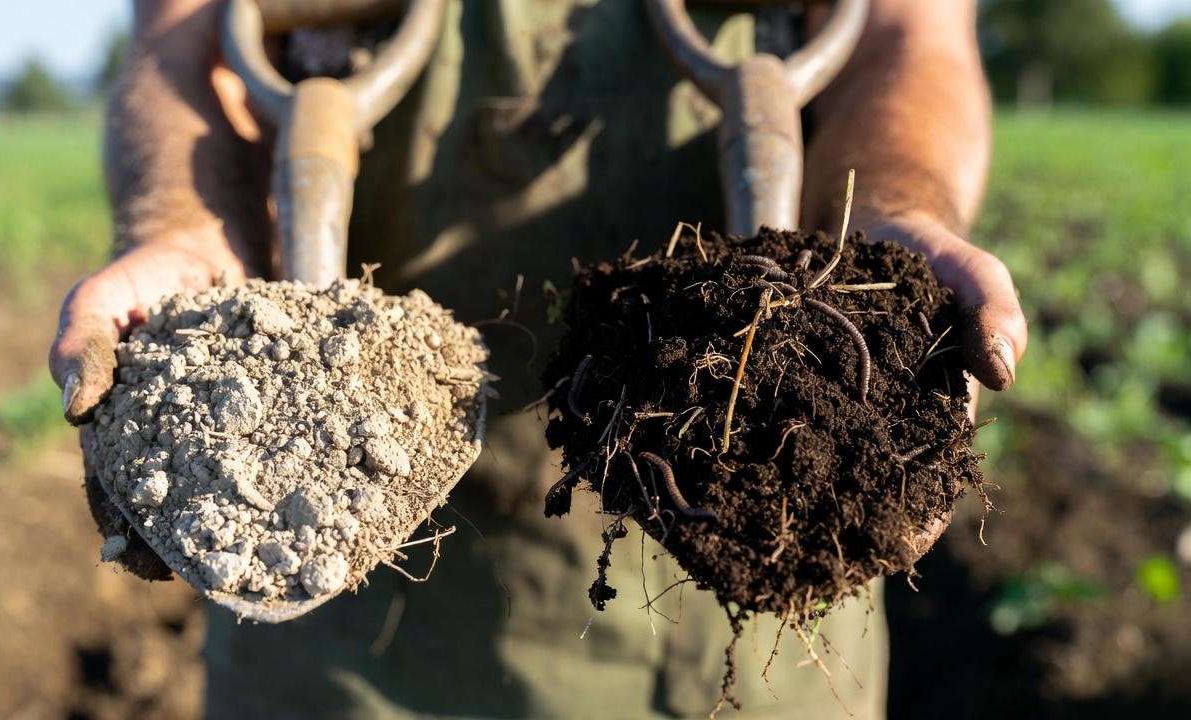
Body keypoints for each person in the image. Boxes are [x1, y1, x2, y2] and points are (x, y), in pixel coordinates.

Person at [50, 0, 1026, 717]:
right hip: (354, 622)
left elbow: (906, 34)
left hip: (749, 608)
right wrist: (186, 229)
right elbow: (185, 39)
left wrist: (889, 225)